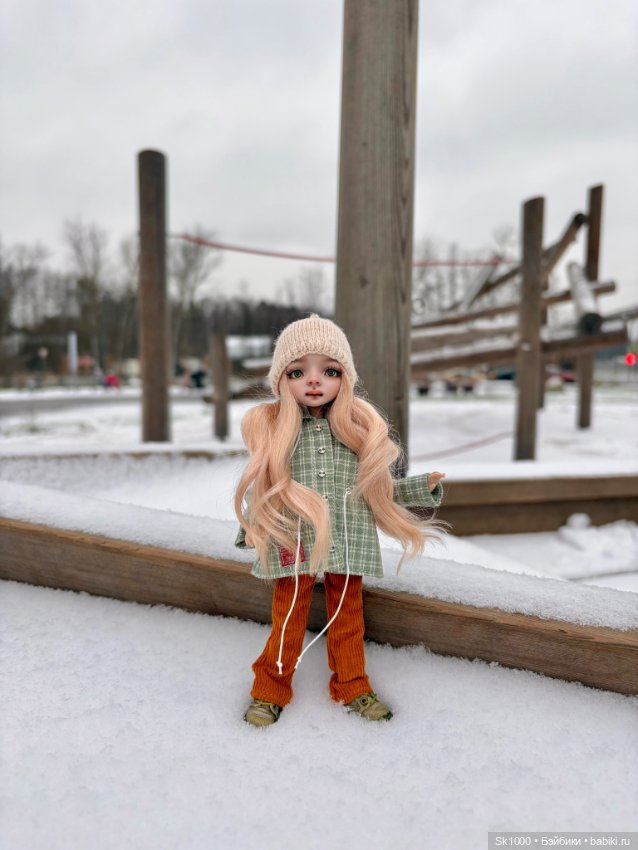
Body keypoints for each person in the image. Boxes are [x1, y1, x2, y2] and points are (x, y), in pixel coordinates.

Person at [234, 314, 445, 727]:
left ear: (344, 378)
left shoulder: (356, 431)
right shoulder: (277, 433)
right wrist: (250, 531)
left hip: (349, 538)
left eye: (329, 371)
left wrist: (423, 488)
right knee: (288, 615)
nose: (314, 382)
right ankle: (270, 689)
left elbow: (380, 490)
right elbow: (262, 489)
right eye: (298, 372)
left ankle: (352, 685)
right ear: (282, 380)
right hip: (292, 536)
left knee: (348, 617)